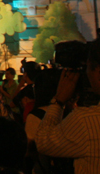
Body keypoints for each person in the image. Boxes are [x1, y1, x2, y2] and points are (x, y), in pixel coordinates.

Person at [35, 39, 100, 174]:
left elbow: (42, 142)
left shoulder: (85, 120)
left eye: (87, 68)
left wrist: (58, 100)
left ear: (98, 71)